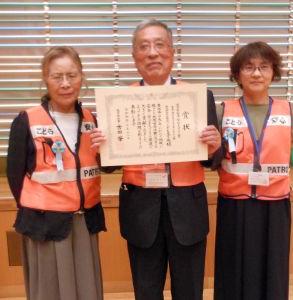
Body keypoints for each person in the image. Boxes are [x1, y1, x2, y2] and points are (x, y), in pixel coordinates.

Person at [91, 19, 221, 300]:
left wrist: (213, 148)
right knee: (146, 291)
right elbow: (108, 165)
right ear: (134, 56)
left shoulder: (199, 97)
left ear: (172, 52)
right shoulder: (117, 102)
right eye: (144, 46)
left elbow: (213, 160)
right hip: (140, 210)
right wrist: (101, 148)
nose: (152, 53)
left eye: (160, 45)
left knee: (189, 291)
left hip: (187, 209)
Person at [6, 46, 105, 300]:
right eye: (57, 76)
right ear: (45, 79)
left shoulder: (91, 119)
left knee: (87, 291)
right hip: (45, 224)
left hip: (85, 222)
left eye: (72, 75)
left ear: (82, 77)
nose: (65, 83)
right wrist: (42, 204)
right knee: (50, 291)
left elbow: (102, 163)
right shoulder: (27, 120)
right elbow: (14, 176)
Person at [213, 41, 293, 300]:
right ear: (237, 74)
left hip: (275, 204)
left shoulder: (289, 112)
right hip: (234, 203)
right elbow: (214, 158)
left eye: (264, 67)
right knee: (233, 270)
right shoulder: (222, 112)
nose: (256, 73)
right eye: (248, 67)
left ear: (274, 72)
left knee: (273, 269)